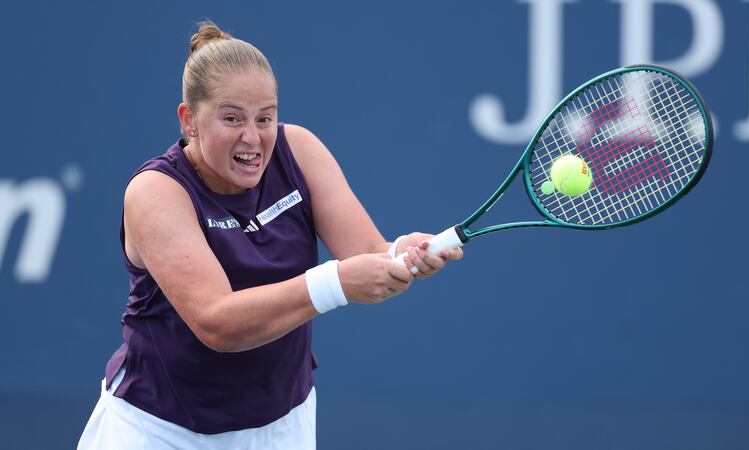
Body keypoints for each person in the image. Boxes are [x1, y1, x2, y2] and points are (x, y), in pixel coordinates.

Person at [77, 21, 462, 450]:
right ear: (189, 120)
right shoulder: (156, 192)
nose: (253, 137)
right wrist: (334, 282)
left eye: (265, 117)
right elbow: (216, 322)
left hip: (282, 427)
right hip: (158, 431)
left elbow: (369, 252)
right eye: (231, 118)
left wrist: (402, 253)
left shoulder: (298, 149)